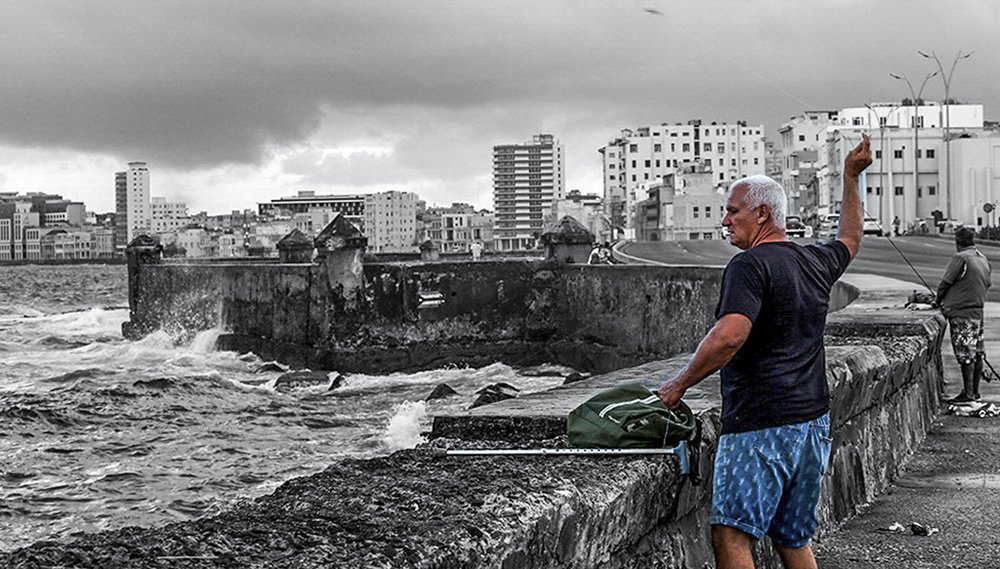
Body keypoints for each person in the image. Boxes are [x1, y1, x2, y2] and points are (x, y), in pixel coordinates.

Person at [656, 134, 872, 569]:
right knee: (792, 538)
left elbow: (729, 336)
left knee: (731, 535)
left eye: (733, 211)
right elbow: (850, 238)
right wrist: (850, 178)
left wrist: (678, 384)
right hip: (811, 424)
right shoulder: (813, 261)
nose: (725, 220)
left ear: (762, 213)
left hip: (761, 427)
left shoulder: (749, 265)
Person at [936, 226, 992, 402]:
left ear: (957, 242)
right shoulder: (982, 258)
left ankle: (967, 394)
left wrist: (937, 301)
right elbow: (987, 283)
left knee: (965, 354)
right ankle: (975, 392)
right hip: (978, 312)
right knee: (977, 352)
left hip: (961, 313)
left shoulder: (960, 258)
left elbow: (945, 283)